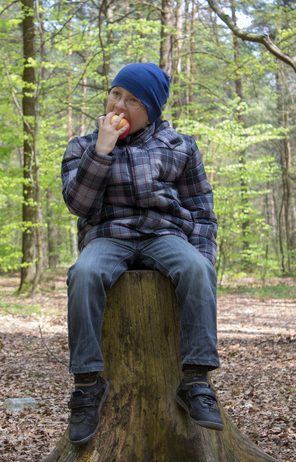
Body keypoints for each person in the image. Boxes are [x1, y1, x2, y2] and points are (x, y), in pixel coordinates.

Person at [61, 62, 224, 446]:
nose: (119, 106)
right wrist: (102, 150)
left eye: (133, 100)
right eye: (116, 94)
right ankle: (86, 385)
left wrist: (203, 259)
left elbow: (200, 209)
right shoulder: (82, 145)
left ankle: (196, 381)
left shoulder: (179, 146)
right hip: (108, 234)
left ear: (152, 109)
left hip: (164, 233)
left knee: (197, 268)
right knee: (83, 273)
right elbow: (79, 204)